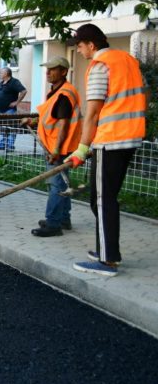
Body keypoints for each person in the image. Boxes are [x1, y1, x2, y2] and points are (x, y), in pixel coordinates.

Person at [65, 24, 147, 277]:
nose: (78, 51)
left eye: (79, 46)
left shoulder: (101, 66)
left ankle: (107, 261)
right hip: (130, 137)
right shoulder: (128, 60)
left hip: (110, 140)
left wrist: (81, 149)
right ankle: (106, 249)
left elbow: (92, 113)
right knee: (102, 198)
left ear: (90, 44)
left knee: (102, 200)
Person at [20, 57, 81, 237]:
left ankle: (53, 223)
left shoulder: (64, 95)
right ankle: (63, 219)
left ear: (63, 72)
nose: (48, 72)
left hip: (59, 147)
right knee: (62, 181)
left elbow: (63, 125)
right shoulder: (56, 92)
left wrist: (56, 150)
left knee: (56, 185)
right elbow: (51, 117)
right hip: (56, 145)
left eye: (53, 69)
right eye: (47, 69)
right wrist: (33, 121)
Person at [0, 67, 27, 150]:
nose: (0, 74)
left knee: (11, 127)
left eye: (1, 73)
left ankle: (10, 146)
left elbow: (24, 91)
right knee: (3, 128)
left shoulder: (14, 82)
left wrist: (16, 102)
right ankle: (2, 145)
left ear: (6, 73)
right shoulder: (2, 82)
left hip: (9, 110)